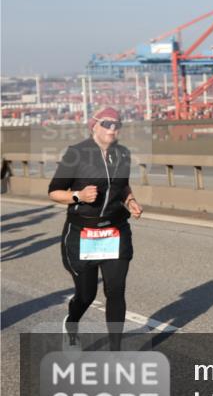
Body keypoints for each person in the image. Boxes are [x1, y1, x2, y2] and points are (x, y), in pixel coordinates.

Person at [48, 106, 143, 351]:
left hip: (115, 231)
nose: (113, 128)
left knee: (116, 290)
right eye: (107, 123)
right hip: (82, 234)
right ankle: (71, 325)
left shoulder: (122, 154)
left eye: (117, 124)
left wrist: (130, 202)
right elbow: (54, 192)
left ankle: (115, 351)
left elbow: (122, 187)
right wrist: (78, 195)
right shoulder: (76, 153)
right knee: (86, 295)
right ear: (94, 125)